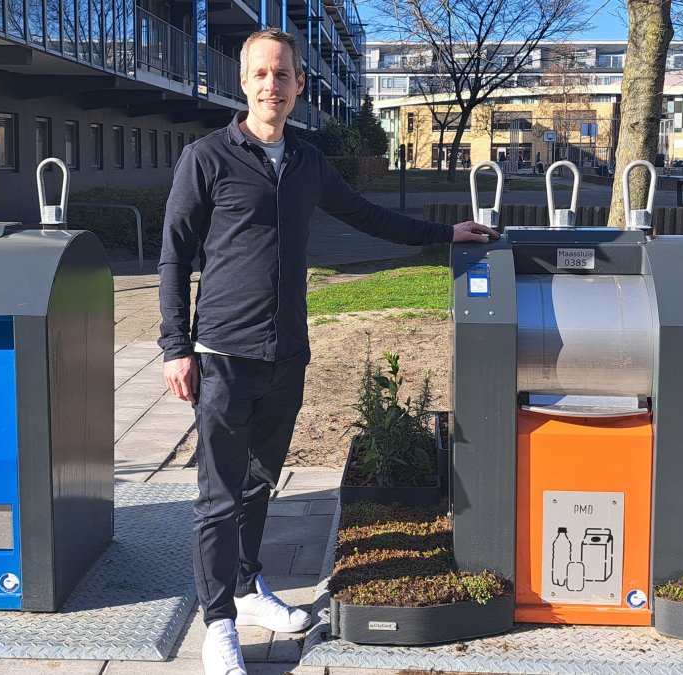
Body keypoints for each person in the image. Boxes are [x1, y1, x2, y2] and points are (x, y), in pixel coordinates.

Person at [157, 28, 499, 675]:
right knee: (219, 496)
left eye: (283, 75)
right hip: (223, 353)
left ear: (299, 86)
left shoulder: (308, 162)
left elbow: (369, 216)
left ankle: (247, 586)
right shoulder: (207, 157)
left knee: (260, 484)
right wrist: (176, 345)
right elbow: (174, 251)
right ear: (244, 81)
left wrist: (444, 232)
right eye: (260, 74)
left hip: (288, 353)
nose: (271, 85)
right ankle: (219, 624)